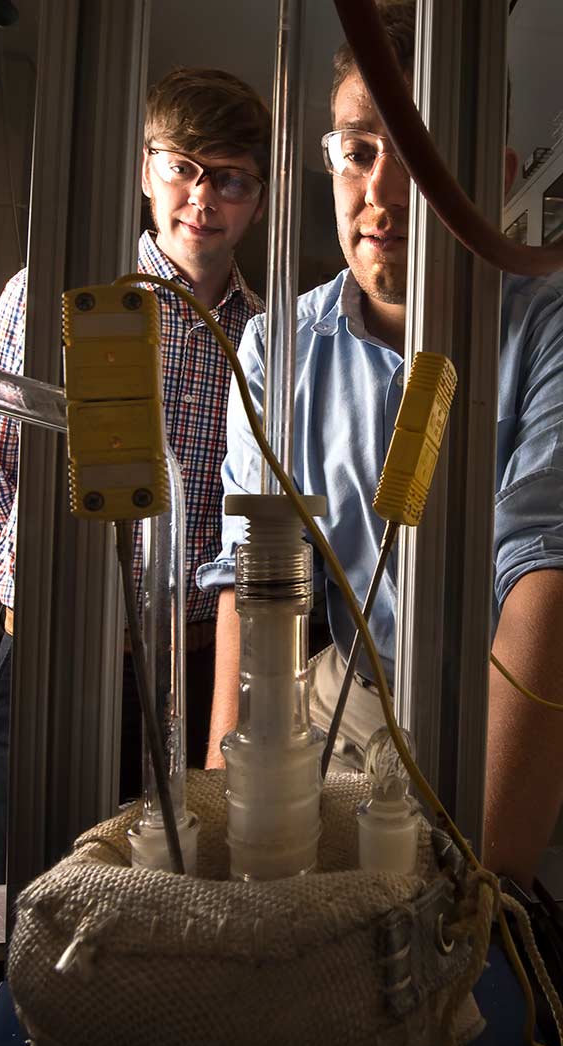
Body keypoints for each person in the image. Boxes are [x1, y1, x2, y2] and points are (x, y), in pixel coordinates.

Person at [199, 0, 563, 890]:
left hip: (513, 686)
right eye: (359, 150)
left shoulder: (546, 329)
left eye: (419, 155)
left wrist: (476, 884)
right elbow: (254, 589)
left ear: (496, 176)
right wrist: (220, 819)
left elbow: (544, 576)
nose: (383, 190)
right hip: (358, 691)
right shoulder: (279, 349)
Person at [0, 67, 270, 880]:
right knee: (40, 890)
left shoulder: (267, 341)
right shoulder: (64, 291)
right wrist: (43, 594)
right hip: (59, 654)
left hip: (199, 670)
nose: (202, 199)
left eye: (231, 179)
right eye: (182, 168)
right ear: (144, 170)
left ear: (260, 198)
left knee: (168, 897)